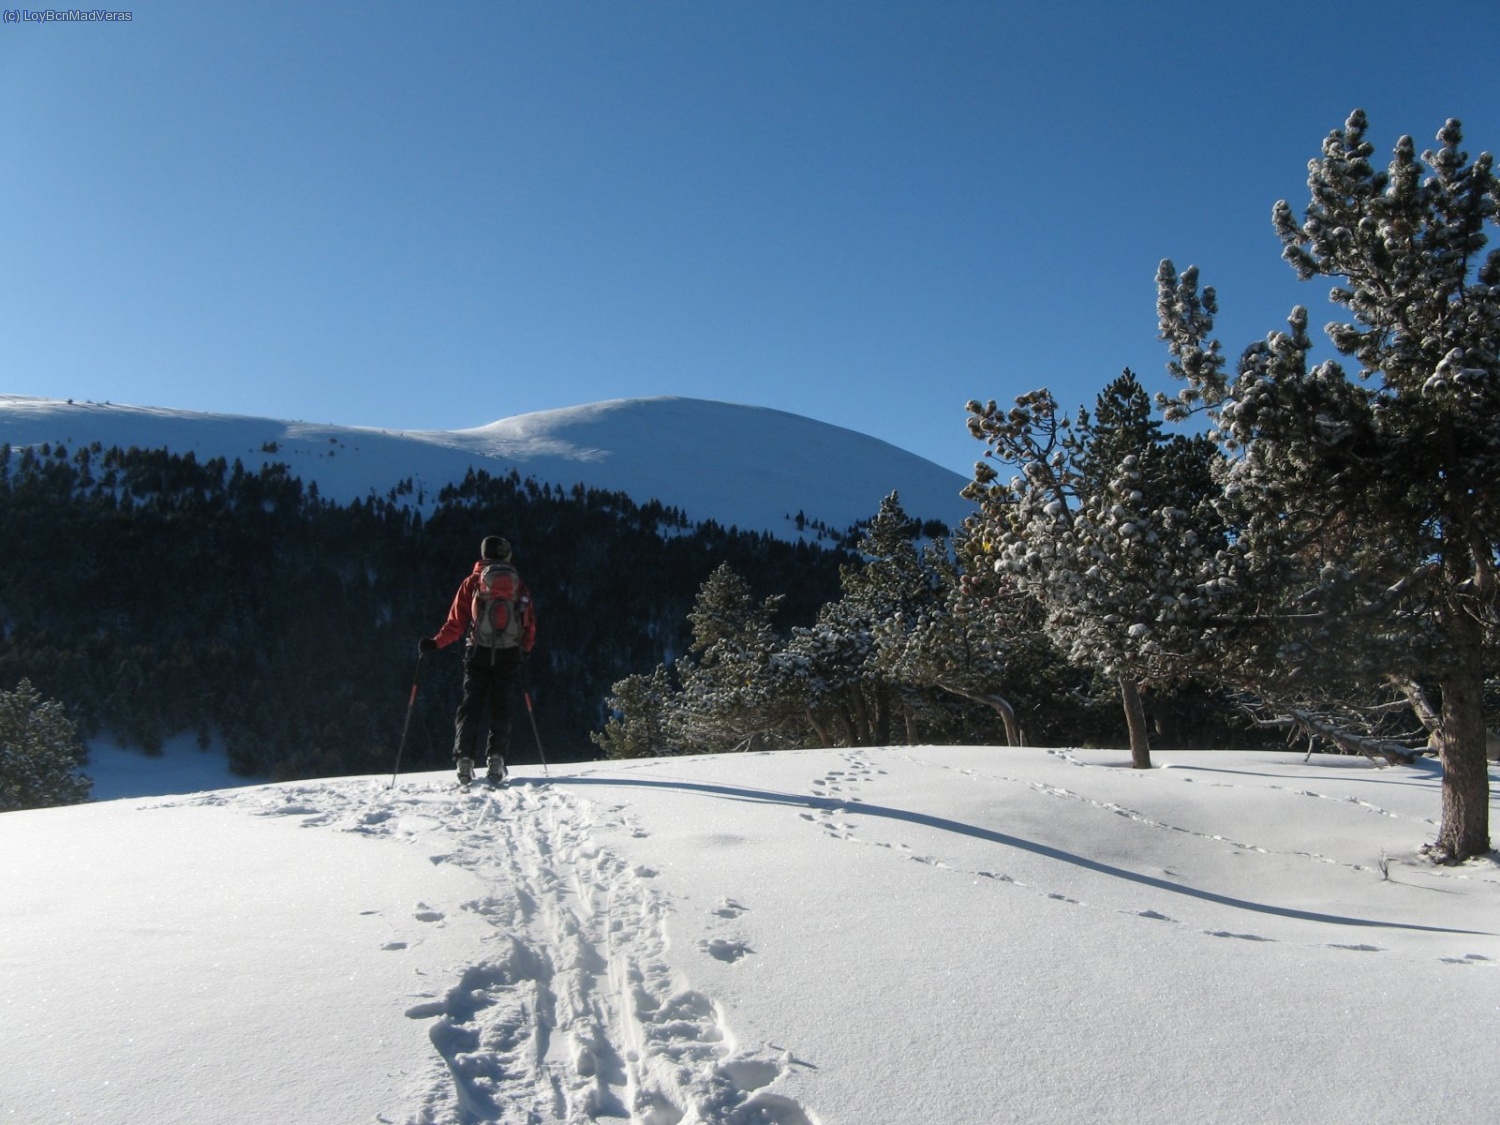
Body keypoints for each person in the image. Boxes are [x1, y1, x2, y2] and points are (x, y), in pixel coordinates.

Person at [419, 535, 537, 785]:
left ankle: (464, 759)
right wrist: (524, 649)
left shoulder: (473, 582)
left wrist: (434, 643)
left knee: (471, 703)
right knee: (500, 704)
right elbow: (529, 622)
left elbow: (456, 623)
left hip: (478, 651)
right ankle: (496, 759)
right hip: (509, 653)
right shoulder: (518, 584)